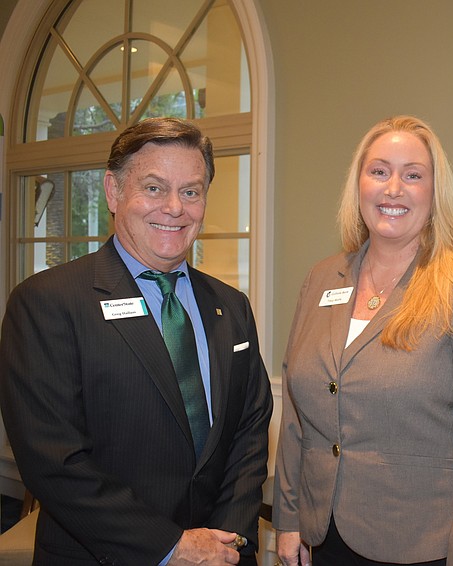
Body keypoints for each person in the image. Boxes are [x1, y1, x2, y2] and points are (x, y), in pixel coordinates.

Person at [0, 117, 272, 565]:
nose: (174, 208)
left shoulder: (231, 306)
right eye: (153, 188)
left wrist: (228, 542)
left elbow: (249, 432)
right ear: (113, 191)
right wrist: (171, 548)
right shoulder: (48, 302)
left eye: (191, 191)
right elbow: (54, 460)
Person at [273, 115, 453, 566]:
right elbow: (297, 411)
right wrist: (290, 518)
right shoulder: (321, 279)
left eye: (413, 175)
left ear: (434, 193)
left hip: (425, 545)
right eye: (379, 171)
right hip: (324, 536)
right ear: (359, 186)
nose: (393, 189)